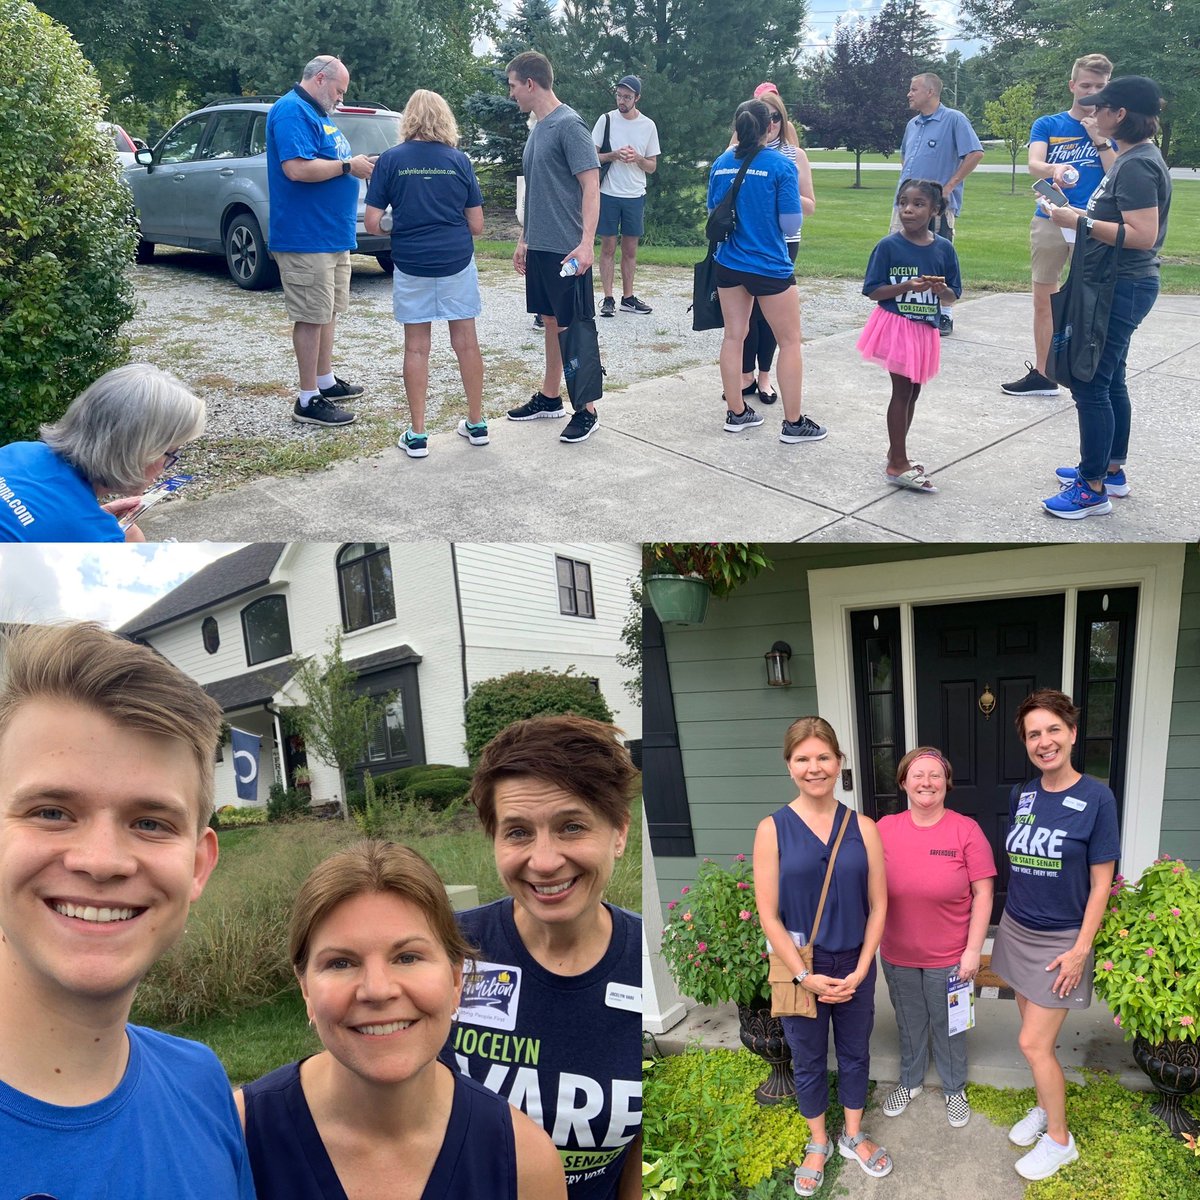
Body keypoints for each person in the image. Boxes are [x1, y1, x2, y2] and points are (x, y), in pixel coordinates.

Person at [0, 622, 253, 1198]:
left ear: (197, 865)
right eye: (51, 812)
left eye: (149, 823)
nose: (103, 861)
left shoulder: (202, 1086)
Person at [238, 840, 566, 1199]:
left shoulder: (523, 1163)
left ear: (457, 979)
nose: (377, 990)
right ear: (305, 990)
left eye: (408, 957)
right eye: (341, 963)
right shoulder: (236, 1136)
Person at [445, 715, 642, 1199]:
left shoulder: (648, 963)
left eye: (572, 826)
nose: (545, 860)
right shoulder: (449, 948)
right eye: (517, 832)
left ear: (618, 832)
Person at [753, 717, 890, 1196]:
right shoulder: (772, 829)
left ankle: (852, 1134)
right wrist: (803, 974)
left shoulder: (864, 827)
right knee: (808, 1058)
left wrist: (862, 966)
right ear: (790, 766)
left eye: (823, 757)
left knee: (855, 1052)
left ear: (839, 763)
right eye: (803, 759)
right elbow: (768, 914)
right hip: (798, 966)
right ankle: (818, 1142)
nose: (815, 768)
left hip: (854, 962)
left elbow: (880, 906)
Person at [990, 689, 1119, 1180]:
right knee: (1034, 1041)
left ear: (1071, 732)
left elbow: (1101, 881)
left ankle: (1061, 1140)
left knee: (1032, 1044)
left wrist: (1079, 950)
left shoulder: (1096, 797)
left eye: (1052, 730)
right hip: (1018, 930)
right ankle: (1046, 1108)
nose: (1044, 742)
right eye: (1033, 734)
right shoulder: (1021, 793)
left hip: (1059, 942)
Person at [1039, 76, 1172, 520]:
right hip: (1120, 283)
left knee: (1091, 381)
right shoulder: (1131, 158)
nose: (1092, 113)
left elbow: (1142, 236)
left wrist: (1077, 223)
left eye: (1101, 107)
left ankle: (1091, 487)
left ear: (1121, 114)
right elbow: (1115, 220)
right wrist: (1074, 213)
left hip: (1122, 285)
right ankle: (1111, 470)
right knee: (1110, 378)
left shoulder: (1136, 165)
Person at [365, 89, 489, 459]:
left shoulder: (391, 160)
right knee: (466, 342)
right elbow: (478, 224)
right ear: (445, 119)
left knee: (417, 347)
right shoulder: (458, 161)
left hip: (412, 263)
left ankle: (418, 434)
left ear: (409, 119)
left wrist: (399, 225)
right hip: (455, 261)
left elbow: (372, 223)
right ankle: (477, 423)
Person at [876, 747, 996, 1129]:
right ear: (903, 782)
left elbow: (984, 893)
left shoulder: (966, 830)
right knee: (910, 1022)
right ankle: (909, 1081)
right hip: (897, 953)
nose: (926, 782)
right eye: (917, 775)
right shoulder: (884, 829)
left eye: (935, 775)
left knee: (950, 1025)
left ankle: (953, 1088)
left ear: (946, 783)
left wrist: (973, 951)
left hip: (950, 956)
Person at [267, 54, 377, 428]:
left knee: (327, 311)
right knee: (311, 315)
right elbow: (296, 169)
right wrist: (349, 166)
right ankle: (307, 398)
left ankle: (325, 381)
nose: (340, 100)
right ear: (319, 79)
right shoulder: (292, 111)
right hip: (305, 235)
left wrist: (357, 163)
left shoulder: (318, 115)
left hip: (330, 234)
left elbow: (330, 161)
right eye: (339, 91)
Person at [708, 99, 825, 445]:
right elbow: (791, 222)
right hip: (769, 264)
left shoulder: (721, 163)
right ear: (769, 127)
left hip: (729, 262)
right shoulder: (779, 164)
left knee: (733, 335)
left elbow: (713, 209)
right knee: (790, 342)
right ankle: (793, 423)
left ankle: (737, 412)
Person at [1001, 54, 1116, 398]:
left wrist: (1099, 138)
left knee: (1093, 301)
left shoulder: (1115, 127)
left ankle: (1092, 372)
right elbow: (1034, 163)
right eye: (1085, 85)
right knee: (1044, 298)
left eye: (1099, 86)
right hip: (1050, 218)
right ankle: (1044, 373)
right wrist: (1052, 171)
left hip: (1094, 222)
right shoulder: (1049, 124)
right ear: (1072, 85)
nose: (1091, 92)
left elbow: (1118, 173)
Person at [505, 51, 602, 445]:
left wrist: (585, 244)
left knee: (572, 327)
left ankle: (588, 409)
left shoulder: (569, 124)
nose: (511, 94)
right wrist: (524, 238)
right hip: (541, 245)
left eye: (512, 86)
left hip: (567, 249)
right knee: (549, 321)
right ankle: (550, 397)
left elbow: (591, 186)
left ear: (530, 83)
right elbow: (536, 191)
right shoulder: (538, 128)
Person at [0, 363, 203, 542]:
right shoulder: (96, 540)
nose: (166, 468)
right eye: (170, 454)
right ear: (139, 451)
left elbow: (35, 522)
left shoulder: (17, 451)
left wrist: (93, 519)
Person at [858, 179, 962, 493]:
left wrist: (941, 290)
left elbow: (953, 295)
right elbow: (873, 291)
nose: (908, 209)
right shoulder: (889, 246)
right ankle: (897, 464)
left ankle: (897, 450)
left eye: (917, 204)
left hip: (923, 330)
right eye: (903, 202)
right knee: (901, 392)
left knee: (913, 393)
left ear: (935, 210)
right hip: (896, 326)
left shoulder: (943, 248)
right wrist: (905, 287)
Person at [737, 83, 816, 409]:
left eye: (775, 117)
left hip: (783, 243)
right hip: (747, 240)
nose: (769, 123)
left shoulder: (793, 156)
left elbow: (809, 205)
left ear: (781, 121)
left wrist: (777, 191)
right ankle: (744, 374)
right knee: (745, 316)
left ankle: (765, 374)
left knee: (774, 319)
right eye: (763, 116)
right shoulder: (738, 151)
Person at [894, 73, 983, 335]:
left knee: (938, 260)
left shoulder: (953, 119)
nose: (909, 94)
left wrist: (949, 186)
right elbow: (906, 158)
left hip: (937, 207)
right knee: (903, 256)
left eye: (914, 89)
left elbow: (975, 153)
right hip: (905, 206)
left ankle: (945, 314)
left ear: (930, 92)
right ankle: (909, 309)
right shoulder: (912, 125)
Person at [592, 74, 660, 317]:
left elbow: (652, 166)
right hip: (608, 192)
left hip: (634, 194)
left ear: (637, 98)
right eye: (619, 95)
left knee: (630, 249)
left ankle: (628, 297)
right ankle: (608, 297)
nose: (622, 100)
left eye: (627, 97)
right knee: (608, 246)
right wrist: (613, 155)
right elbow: (591, 157)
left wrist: (638, 159)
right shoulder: (606, 120)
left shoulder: (648, 125)